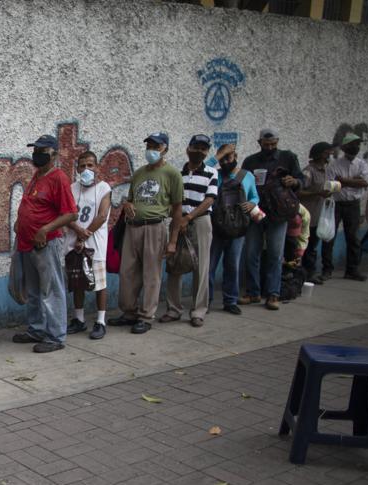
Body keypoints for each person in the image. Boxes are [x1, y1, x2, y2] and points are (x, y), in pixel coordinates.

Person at [108, 132, 184, 334]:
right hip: (133, 226)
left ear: (165, 149)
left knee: (151, 273)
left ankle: (146, 315)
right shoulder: (140, 173)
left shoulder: (172, 174)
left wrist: (173, 240)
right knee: (127, 272)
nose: (151, 150)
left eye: (156, 146)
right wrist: (128, 204)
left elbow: (177, 209)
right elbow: (131, 198)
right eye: (149, 145)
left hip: (155, 226)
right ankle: (129, 312)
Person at [11, 134, 78, 352]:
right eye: (36, 151)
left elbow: (71, 214)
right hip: (28, 243)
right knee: (33, 291)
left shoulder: (58, 178)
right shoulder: (37, 176)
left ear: (54, 154)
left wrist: (45, 229)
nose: (37, 155)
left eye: (43, 151)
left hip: (46, 243)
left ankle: (56, 336)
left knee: (51, 290)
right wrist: (20, 222)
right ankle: (36, 329)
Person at [240, 128, 304, 310]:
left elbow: (301, 179)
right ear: (259, 143)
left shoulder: (288, 158)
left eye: (273, 144)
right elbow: (241, 183)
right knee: (252, 253)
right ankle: (253, 292)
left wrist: (295, 182)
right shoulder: (251, 161)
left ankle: (273, 294)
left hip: (278, 213)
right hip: (256, 213)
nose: (270, 147)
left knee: (276, 255)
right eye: (266, 144)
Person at [161, 134, 217, 327]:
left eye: (203, 149)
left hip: (200, 221)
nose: (199, 151)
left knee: (201, 266)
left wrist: (189, 217)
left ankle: (198, 311)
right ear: (188, 149)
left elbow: (209, 199)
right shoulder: (177, 174)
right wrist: (179, 220)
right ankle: (174, 309)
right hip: (178, 221)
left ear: (207, 152)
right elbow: (172, 199)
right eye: (196, 147)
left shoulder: (212, 172)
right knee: (174, 264)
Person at [208, 144, 260, 315]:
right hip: (216, 227)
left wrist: (252, 203)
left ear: (236, 156)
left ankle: (230, 300)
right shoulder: (214, 173)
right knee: (209, 267)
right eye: (222, 159)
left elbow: (255, 196)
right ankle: (205, 301)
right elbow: (204, 168)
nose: (224, 161)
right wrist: (217, 155)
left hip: (238, 228)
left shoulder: (247, 176)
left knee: (232, 265)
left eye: (228, 157)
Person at [66, 151, 112, 340]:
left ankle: (101, 321)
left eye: (90, 165)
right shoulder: (72, 188)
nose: (86, 169)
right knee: (77, 282)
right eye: (83, 165)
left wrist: (84, 236)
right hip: (73, 243)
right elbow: (66, 213)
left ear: (97, 168)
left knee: (99, 284)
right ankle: (79, 319)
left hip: (95, 244)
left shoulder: (103, 188)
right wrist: (77, 230)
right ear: (77, 169)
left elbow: (101, 216)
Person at [323, 133, 368, 281]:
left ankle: (352, 270)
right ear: (344, 147)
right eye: (352, 144)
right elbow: (331, 186)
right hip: (336, 204)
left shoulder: (362, 164)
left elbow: (364, 183)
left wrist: (343, 181)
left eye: (357, 144)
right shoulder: (334, 165)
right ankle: (327, 270)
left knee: (353, 238)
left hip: (353, 205)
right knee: (329, 236)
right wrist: (354, 181)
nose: (355, 147)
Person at [299, 142, 335, 285]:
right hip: (308, 216)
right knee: (305, 247)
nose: (329, 156)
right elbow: (298, 191)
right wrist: (317, 193)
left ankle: (310, 273)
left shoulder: (325, 171)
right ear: (320, 154)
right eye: (327, 153)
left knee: (312, 247)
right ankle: (305, 274)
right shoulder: (309, 171)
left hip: (318, 216)